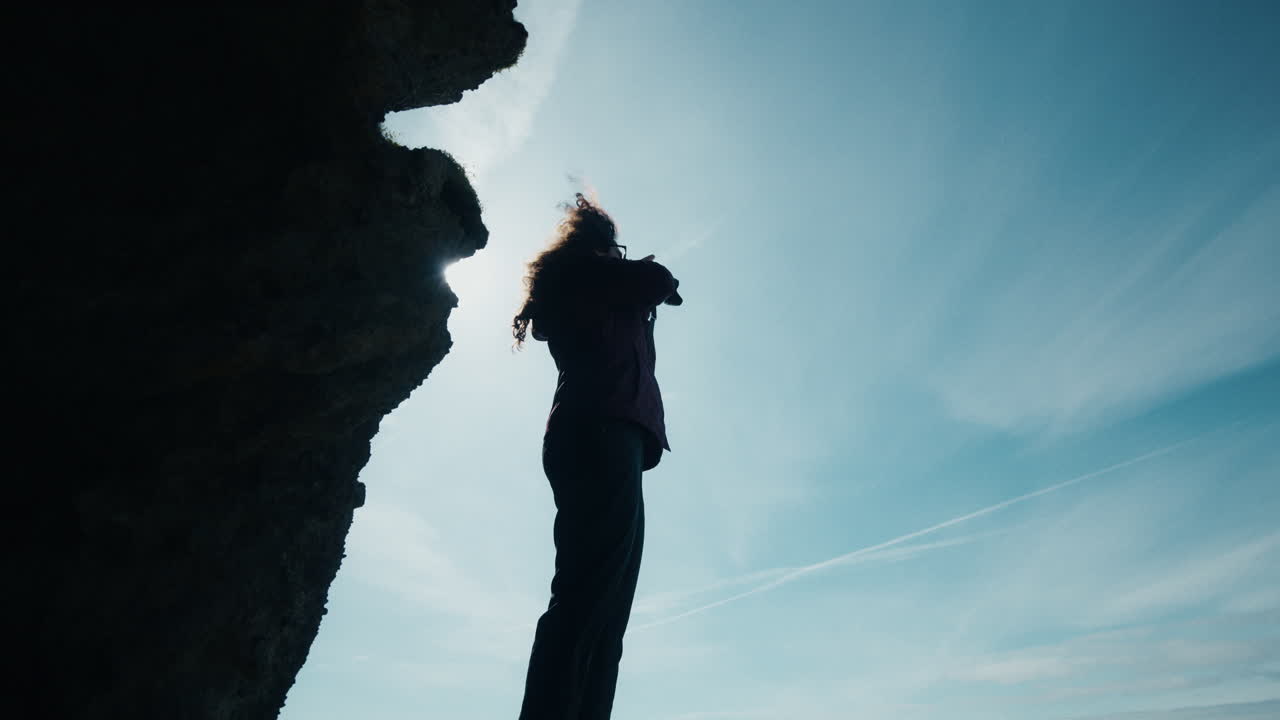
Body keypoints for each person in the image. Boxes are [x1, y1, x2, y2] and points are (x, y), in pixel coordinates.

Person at [512, 193, 682, 719]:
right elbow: (660, 283)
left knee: (604, 612)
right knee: (589, 603)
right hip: (602, 433)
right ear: (598, 245)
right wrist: (632, 269)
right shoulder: (585, 273)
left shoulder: (583, 281)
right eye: (614, 246)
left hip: (609, 437)